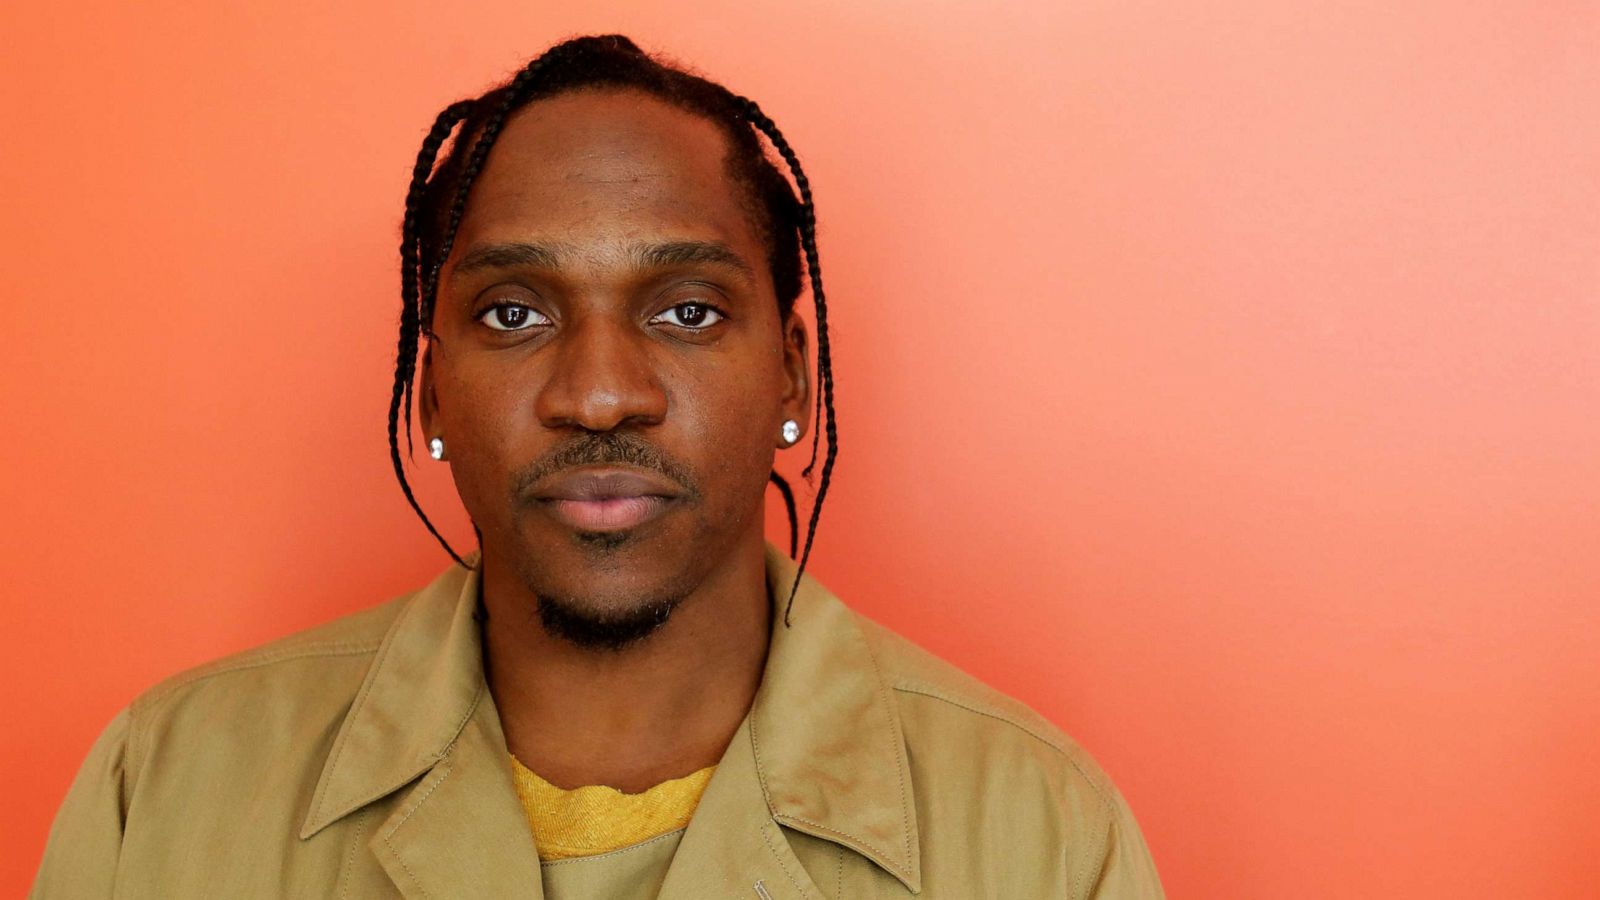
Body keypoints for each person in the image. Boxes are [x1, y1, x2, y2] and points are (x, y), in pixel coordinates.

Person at [31, 34, 1164, 898]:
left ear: (794, 379)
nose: (598, 392)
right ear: (431, 390)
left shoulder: (1038, 832)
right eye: (515, 311)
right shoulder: (168, 790)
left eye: (685, 309)